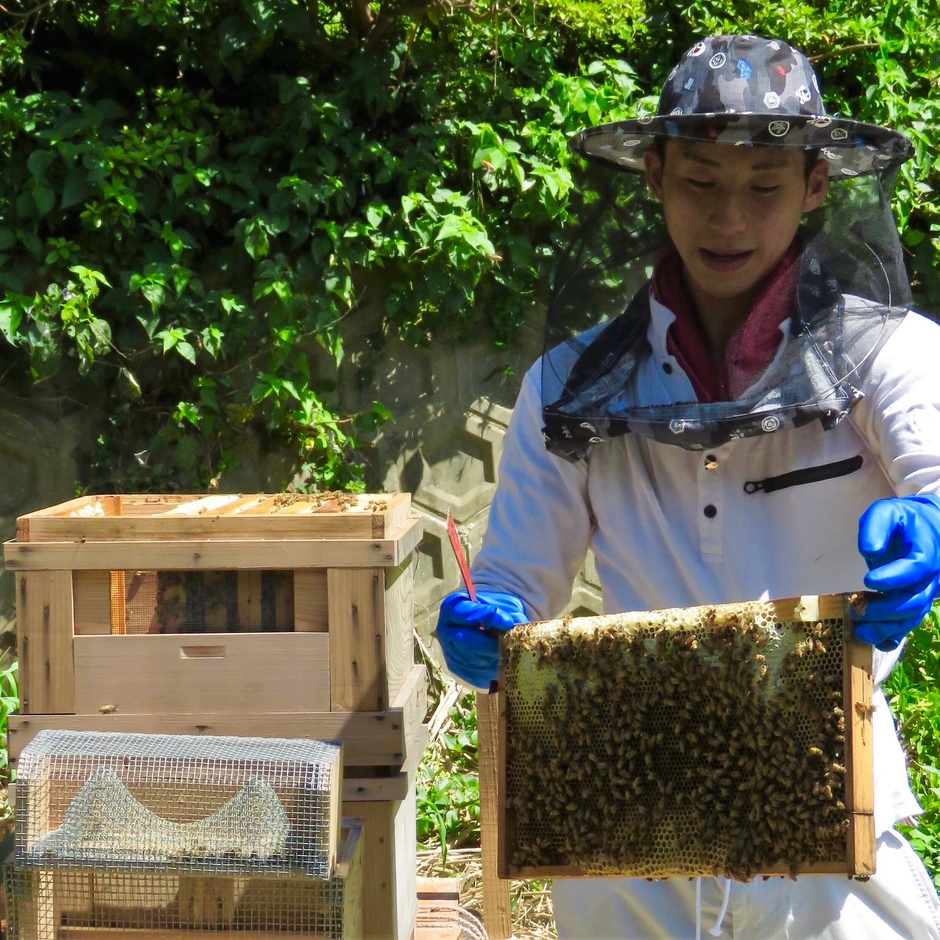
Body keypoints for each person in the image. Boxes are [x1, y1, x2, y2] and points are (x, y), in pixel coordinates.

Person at [436, 34, 940, 940]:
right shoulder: (566, 384)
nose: (730, 220)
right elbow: (516, 582)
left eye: (764, 188)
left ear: (817, 187)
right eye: (702, 182)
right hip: (629, 849)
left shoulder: (893, 354)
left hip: (833, 822)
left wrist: (930, 526)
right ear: (656, 175)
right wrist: (490, 625)